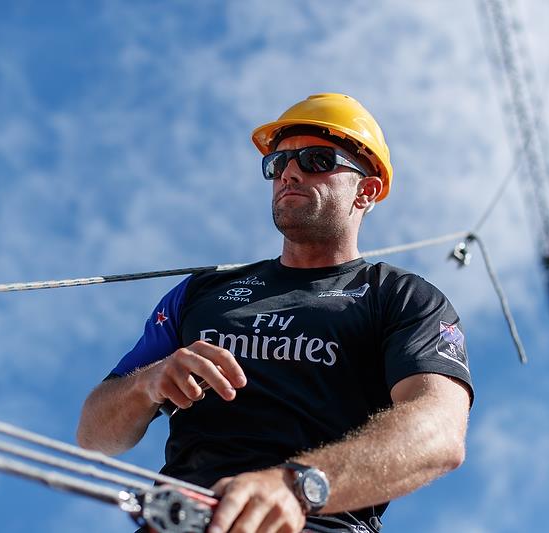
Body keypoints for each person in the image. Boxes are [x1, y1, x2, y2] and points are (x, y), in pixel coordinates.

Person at [77, 93, 473, 533]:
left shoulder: (402, 298)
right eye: (277, 163)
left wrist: (297, 486)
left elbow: (438, 434)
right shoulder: (201, 293)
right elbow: (93, 436)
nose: (290, 172)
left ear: (367, 190)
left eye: (316, 160)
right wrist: (147, 384)